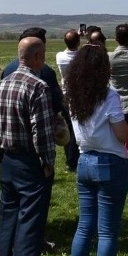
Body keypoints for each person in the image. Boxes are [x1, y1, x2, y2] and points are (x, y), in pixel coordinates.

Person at [0, 35, 57, 256]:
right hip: (31, 161)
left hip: (8, 158)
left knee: (7, 218)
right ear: (37, 57)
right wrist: (47, 161)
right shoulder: (38, 87)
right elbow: (42, 131)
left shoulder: (2, 84)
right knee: (30, 223)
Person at [66, 44, 128, 256]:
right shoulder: (109, 96)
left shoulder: (72, 94)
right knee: (107, 231)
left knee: (84, 226)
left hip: (84, 161)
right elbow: (122, 135)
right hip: (110, 163)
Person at [55, 29, 81, 172]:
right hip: (79, 95)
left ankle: (71, 161)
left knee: (69, 128)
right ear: (78, 42)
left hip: (66, 94)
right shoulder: (81, 56)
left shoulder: (60, 56)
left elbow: (68, 47)